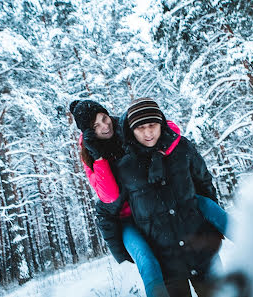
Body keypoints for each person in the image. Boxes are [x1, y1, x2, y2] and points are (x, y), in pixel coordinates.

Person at [95, 98, 225, 297]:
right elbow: (106, 211)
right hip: (166, 265)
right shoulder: (124, 168)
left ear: (161, 123)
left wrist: (213, 222)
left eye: (152, 125)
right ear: (131, 130)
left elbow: (204, 182)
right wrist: (124, 253)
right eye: (140, 128)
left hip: (203, 252)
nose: (148, 133)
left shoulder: (182, 148)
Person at [69, 99, 174, 297]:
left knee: (173, 259)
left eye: (104, 118)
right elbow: (110, 196)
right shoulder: (89, 157)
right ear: (88, 132)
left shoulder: (126, 125)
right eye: (96, 126)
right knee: (147, 263)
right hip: (127, 219)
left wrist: (159, 154)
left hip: (152, 206)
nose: (105, 126)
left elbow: (170, 129)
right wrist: (99, 157)